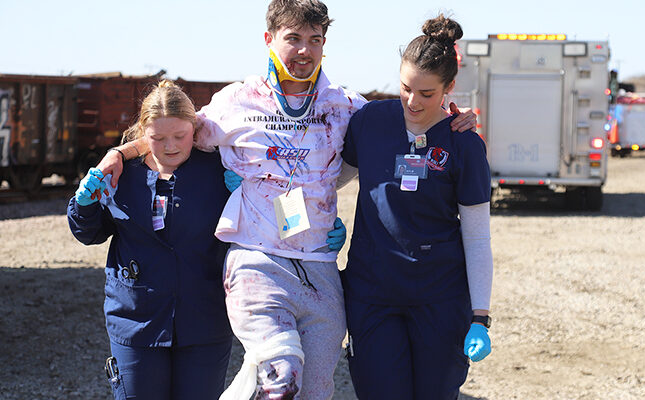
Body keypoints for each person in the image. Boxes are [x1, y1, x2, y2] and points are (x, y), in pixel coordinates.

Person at [95, 1, 476, 398]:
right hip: (256, 261)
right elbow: (172, 134)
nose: (304, 51)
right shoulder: (235, 102)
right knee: (281, 374)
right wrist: (120, 153)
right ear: (269, 40)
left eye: (315, 40)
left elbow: (415, 116)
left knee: (314, 389)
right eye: (292, 38)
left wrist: (455, 118)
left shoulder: (346, 107)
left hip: (319, 267)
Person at [339, 15, 494, 399]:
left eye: (427, 93)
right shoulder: (370, 122)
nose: (413, 101)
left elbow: (476, 236)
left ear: (450, 88)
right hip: (372, 295)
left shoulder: (464, 144)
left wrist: (480, 316)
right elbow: (330, 180)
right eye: (406, 88)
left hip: (439, 300)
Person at [67, 80, 234, 400]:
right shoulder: (121, 174)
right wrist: (84, 203)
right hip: (135, 321)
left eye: (179, 136)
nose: (170, 146)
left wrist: (310, 227)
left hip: (204, 321)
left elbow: (266, 210)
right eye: (158, 138)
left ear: (195, 128)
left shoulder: (217, 171)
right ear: (143, 133)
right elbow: (89, 233)